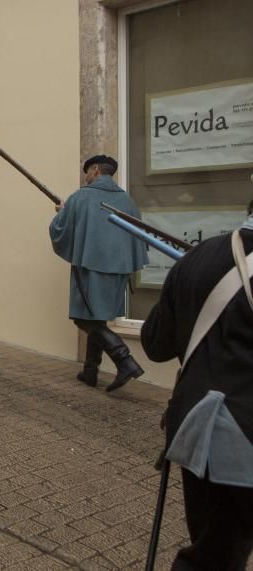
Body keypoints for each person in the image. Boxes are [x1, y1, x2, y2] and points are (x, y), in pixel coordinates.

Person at [141, 214, 253, 570]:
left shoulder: (199, 257)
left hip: (197, 429)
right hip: (241, 435)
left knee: (212, 551)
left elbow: (156, 344)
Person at [49, 154, 147, 392]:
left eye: (87, 171)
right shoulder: (128, 200)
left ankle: (125, 361)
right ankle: (90, 371)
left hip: (91, 267)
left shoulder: (81, 197)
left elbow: (60, 228)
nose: (86, 176)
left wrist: (62, 211)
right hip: (119, 270)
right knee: (98, 319)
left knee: (84, 317)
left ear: (94, 170)